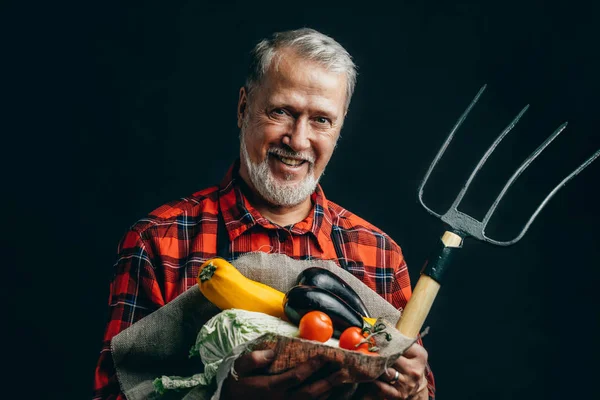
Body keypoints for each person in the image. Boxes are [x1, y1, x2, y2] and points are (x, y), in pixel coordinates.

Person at [93, 28, 435, 400]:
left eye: (321, 120)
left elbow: (418, 389)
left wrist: (414, 391)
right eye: (282, 112)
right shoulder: (158, 243)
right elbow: (117, 390)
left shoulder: (379, 253)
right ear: (243, 108)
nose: (298, 139)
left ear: (339, 127)